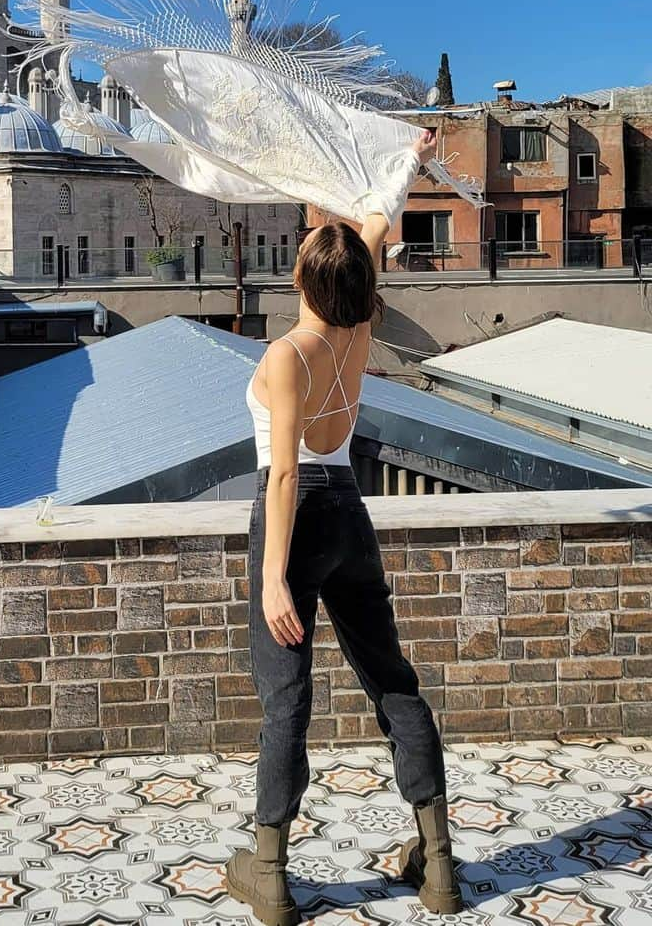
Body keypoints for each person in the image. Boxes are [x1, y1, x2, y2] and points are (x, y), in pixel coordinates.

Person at [224, 130, 463, 926]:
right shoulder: (361, 324)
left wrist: (269, 578)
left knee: (286, 699)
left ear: (300, 275)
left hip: (296, 518)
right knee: (390, 677)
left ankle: (270, 875)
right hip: (352, 514)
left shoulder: (288, 353)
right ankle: (439, 863)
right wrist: (405, 156)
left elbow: (284, 472)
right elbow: (378, 222)